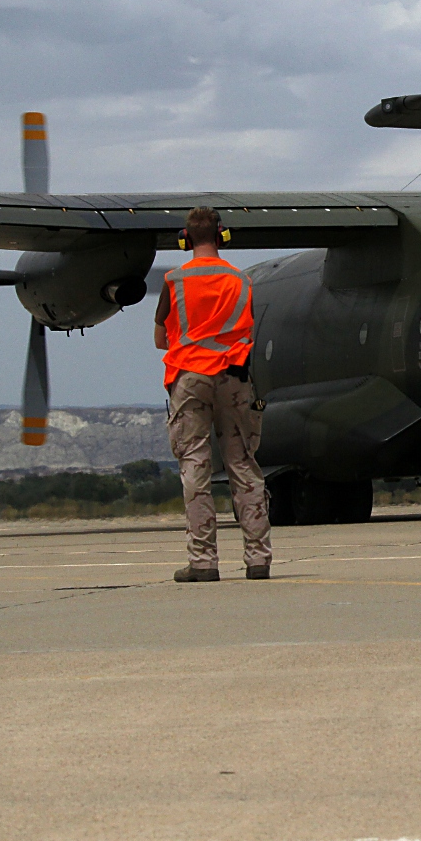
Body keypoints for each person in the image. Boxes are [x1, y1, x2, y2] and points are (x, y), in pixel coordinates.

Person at [155, 206, 272, 581]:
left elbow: (161, 339)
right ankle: (258, 559)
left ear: (185, 238)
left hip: (190, 378)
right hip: (234, 378)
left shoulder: (174, 281)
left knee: (195, 465)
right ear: (223, 234)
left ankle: (203, 562)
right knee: (243, 464)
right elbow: (248, 332)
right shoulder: (242, 281)